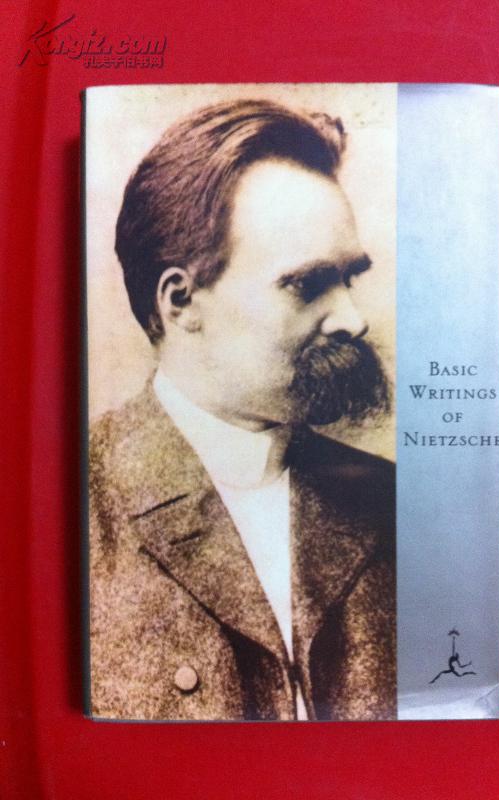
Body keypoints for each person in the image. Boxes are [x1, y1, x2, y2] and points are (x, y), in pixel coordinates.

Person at [88, 99, 396, 721]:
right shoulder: (70, 509)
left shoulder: (389, 502)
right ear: (181, 302)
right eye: (308, 285)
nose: (353, 320)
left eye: (349, 280)